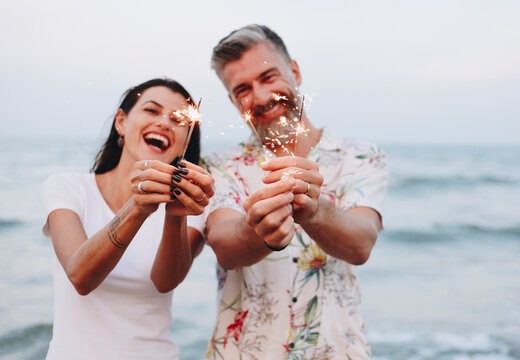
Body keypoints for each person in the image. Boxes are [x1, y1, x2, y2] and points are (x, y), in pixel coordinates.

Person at [203, 25, 388, 359]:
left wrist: (314, 212)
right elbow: (225, 246)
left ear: (295, 72)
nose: (260, 97)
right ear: (233, 100)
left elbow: (361, 242)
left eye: (269, 77)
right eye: (243, 89)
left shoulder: (359, 156)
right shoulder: (218, 166)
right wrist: (260, 227)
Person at [41, 78, 214, 359]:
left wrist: (174, 214)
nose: (163, 123)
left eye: (177, 119)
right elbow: (80, 276)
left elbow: (165, 282)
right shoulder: (67, 187)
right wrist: (137, 207)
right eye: (151, 110)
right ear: (121, 122)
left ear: (185, 142)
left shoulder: (191, 207)